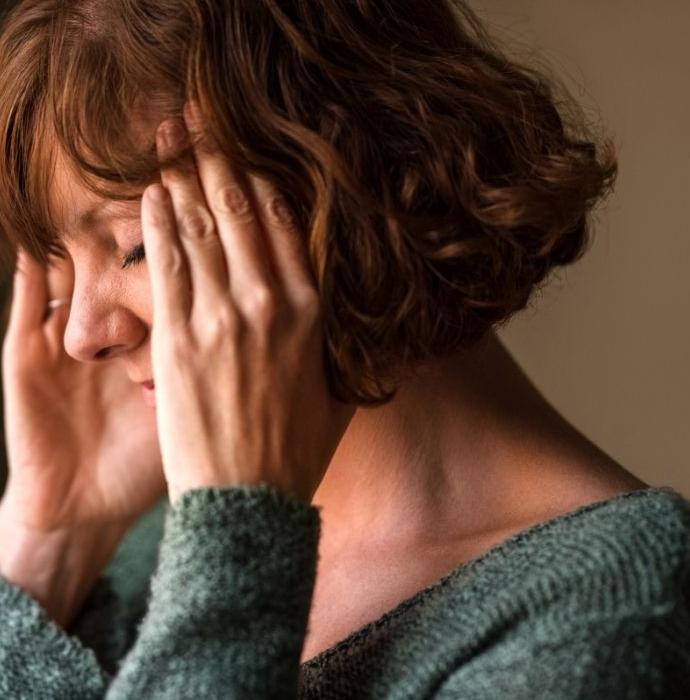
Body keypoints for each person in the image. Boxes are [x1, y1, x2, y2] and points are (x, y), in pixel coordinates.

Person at [0, 0, 688, 697]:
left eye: (135, 246)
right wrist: (43, 545)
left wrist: (232, 547)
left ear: (348, 187)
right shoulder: (143, 561)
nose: (81, 333)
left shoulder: (603, 614)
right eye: (62, 266)